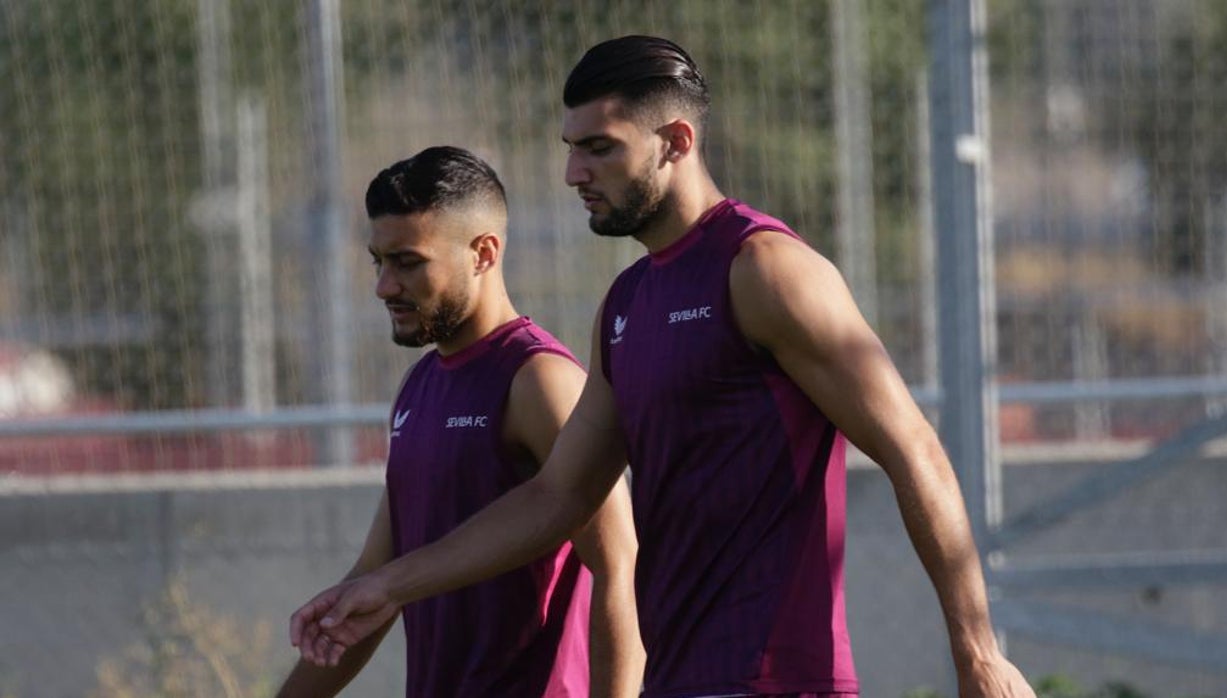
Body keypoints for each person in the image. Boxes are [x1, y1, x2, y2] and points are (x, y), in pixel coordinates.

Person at [291, 37, 1036, 698]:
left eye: (600, 148)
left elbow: (914, 446)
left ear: (675, 141)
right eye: (570, 147)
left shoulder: (765, 270)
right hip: (678, 678)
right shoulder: (627, 303)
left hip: (772, 677)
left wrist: (977, 650)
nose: (573, 172)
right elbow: (558, 495)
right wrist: (387, 585)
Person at [280, 146, 644, 698]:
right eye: (378, 261)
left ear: (483, 252)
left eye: (408, 262)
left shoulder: (538, 380)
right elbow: (379, 577)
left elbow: (621, 569)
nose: (384, 286)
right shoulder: (418, 387)